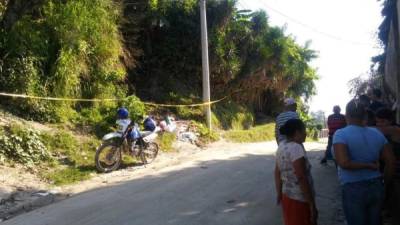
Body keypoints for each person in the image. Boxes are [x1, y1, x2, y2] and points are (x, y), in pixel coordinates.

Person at [333, 99, 396, 225]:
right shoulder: (377, 133)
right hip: (376, 185)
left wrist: (367, 165)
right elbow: (391, 161)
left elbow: (344, 163)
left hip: (353, 187)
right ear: (365, 115)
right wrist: (384, 182)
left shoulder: (340, 134)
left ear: (347, 115)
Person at [275, 119, 318, 225]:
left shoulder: (281, 146)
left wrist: (279, 193)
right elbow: (301, 177)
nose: (306, 133)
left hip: (287, 196)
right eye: (304, 130)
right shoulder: (296, 148)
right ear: (297, 132)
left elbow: (277, 172)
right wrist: (311, 204)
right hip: (300, 199)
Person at [375, 108, 400, 225]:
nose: (379, 125)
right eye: (377, 122)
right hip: (391, 173)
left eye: (382, 121)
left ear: (390, 121)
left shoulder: (395, 130)